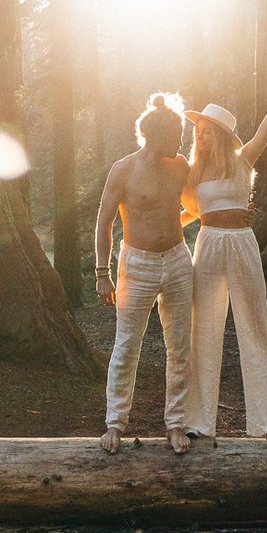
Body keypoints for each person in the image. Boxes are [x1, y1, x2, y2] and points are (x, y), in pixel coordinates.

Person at [181, 41, 267, 443]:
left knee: (255, 326)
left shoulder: (244, 160)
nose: (199, 134)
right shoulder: (192, 172)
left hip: (241, 243)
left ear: (221, 134)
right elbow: (188, 213)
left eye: (206, 130)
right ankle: (199, 422)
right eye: (197, 129)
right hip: (207, 245)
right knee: (202, 329)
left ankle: (266, 423)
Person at [95, 93, 194, 455]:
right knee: (126, 346)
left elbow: (205, 198)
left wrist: (234, 212)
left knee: (180, 346)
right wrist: (101, 273)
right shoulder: (124, 169)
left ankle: (176, 423)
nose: (181, 143)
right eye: (177, 135)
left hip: (179, 260)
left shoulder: (181, 166)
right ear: (156, 136)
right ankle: (115, 424)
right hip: (135, 265)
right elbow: (104, 221)